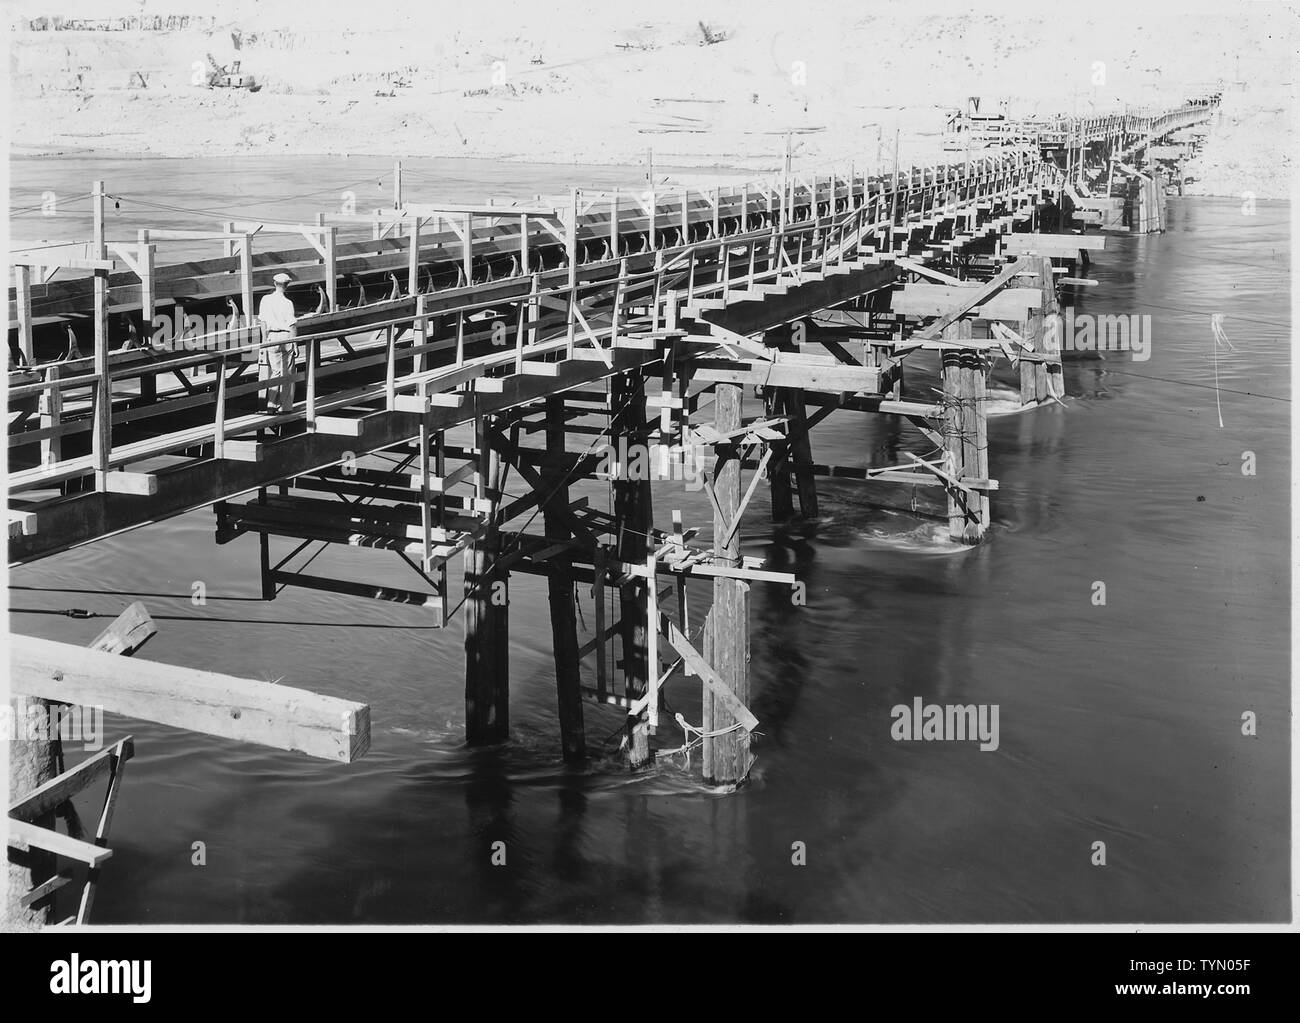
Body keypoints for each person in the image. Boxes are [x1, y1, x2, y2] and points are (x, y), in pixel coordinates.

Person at [257, 271, 298, 414]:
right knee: (287, 373)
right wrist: (295, 343)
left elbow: (262, 321)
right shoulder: (288, 303)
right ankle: (285, 407)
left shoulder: (265, 299)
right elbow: (292, 324)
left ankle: (271, 404)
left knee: (275, 371)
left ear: (275, 284)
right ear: (287, 286)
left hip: (271, 337)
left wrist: (264, 340)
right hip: (286, 336)